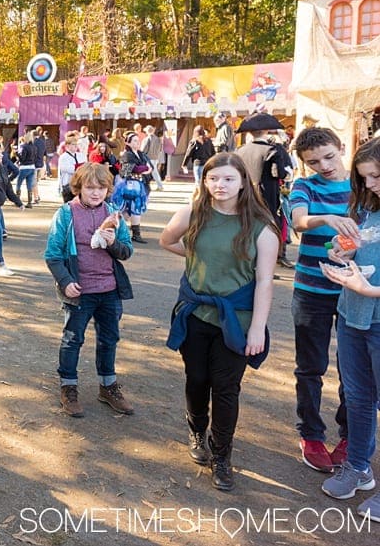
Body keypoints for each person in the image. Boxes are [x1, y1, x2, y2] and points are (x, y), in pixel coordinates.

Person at [159, 152, 278, 491]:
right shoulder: (192, 214)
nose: (220, 185)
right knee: (196, 380)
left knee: (226, 389)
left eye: (228, 178)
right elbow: (167, 241)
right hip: (195, 314)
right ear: (204, 181)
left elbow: (266, 280)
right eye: (213, 178)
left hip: (237, 321)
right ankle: (197, 429)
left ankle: (222, 454)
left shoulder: (261, 227)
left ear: (243, 181)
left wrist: (257, 328)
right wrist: (197, 256)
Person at [316, 137, 380, 518]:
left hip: (372, 311)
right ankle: (358, 467)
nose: (370, 184)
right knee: (356, 398)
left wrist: (370, 288)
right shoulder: (366, 207)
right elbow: (357, 245)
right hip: (353, 316)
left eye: (376, 176)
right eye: (365, 178)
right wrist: (340, 252)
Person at [45, 162, 135, 418]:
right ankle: (68, 387)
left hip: (109, 289)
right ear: (79, 187)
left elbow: (127, 251)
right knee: (73, 339)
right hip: (79, 290)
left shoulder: (113, 214)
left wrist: (113, 243)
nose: (96, 193)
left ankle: (108, 386)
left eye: (101, 188)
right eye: (90, 187)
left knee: (109, 339)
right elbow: (52, 255)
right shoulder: (65, 214)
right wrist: (65, 281)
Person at [287, 127, 352, 472]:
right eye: (313, 162)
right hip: (311, 291)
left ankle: (350, 435)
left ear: (340, 148)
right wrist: (327, 218)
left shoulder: (362, 184)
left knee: (353, 370)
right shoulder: (305, 186)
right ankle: (311, 434)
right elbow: (299, 221)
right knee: (310, 367)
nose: (324, 166)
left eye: (329, 156)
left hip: (354, 291)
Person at [237, 121, 295, 268]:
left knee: (248, 226)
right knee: (269, 229)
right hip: (267, 195)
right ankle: (266, 264)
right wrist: (287, 173)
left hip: (245, 193)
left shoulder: (240, 150)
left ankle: (249, 263)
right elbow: (278, 173)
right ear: (267, 130)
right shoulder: (272, 150)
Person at [0, 142, 23, 275]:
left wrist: (18, 202)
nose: (1, 155)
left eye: (1, 152)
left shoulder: (2, 168)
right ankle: (0, 264)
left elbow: (7, 187)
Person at [113, 132, 152, 244]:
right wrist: (143, 168)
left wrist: (143, 169)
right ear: (128, 142)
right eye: (134, 140)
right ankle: (119, 232)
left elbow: (150, 167)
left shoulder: (141, 154)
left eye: (138, 140)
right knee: (125, 209)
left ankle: (134, 234)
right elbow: (130, 169)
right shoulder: (127, 154)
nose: (137, 142)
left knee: (134, 209)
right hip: (128, 186)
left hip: (139, 184)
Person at [14, 132, 38, 207]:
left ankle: (17, 200)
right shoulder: (34, 147)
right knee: (29, 185)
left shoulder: (24, 146)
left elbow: (22, 159)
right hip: (32, 167)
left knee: (19, 183)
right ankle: (29, 202)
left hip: (24, 167)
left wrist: (16, 154)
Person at [57, 134, 81, 203]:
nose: (76, 146)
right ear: (67, 146)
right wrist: (79, 168)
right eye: (73, 144)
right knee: (68, 206)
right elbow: (68, 169)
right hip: (67, 184)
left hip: (79, 184)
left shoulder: (80, 155)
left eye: (76, 144)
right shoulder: (63, 157)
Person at [140, 125, 165, 191]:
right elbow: (160, 149)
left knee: (148, 172)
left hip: (148, 157)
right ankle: (159, 186)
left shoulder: (146, 139)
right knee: (154, 172)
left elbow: (144, 149)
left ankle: (148, 185)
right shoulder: (158, 139)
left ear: (147, 131)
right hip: (155, 157)